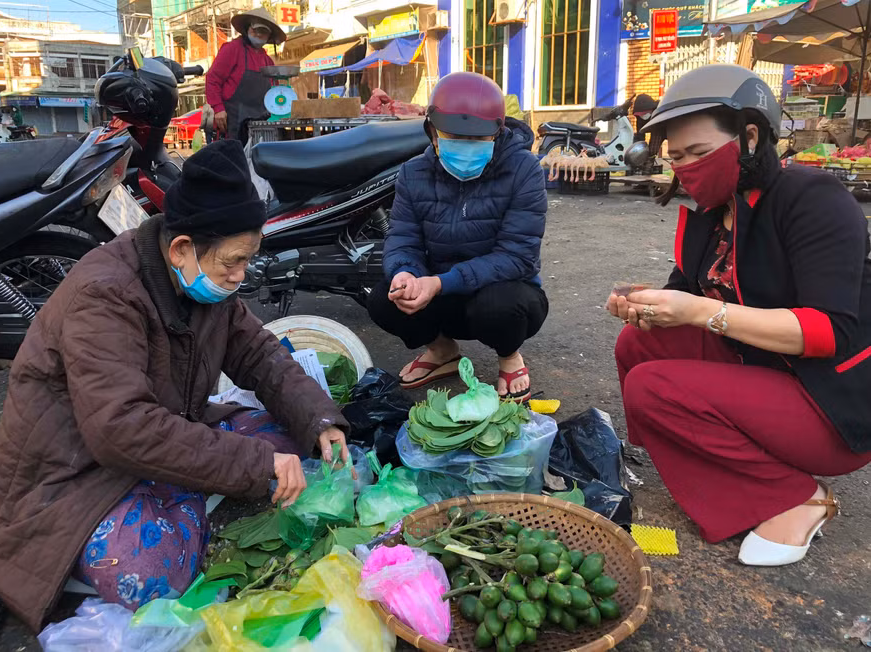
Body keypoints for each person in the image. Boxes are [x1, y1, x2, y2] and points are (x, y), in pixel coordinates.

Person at [0, 140, 350, 630]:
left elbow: (258, 354)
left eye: (247, 260)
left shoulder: (205, 282)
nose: (241, 276)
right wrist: (251, 465)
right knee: (149, 572)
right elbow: (120, 429)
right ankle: (180, 504)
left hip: (162, 436)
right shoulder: (104, 295)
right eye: (233, 261)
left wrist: (318, 419)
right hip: (73, 475)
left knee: (290, 442)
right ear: (181, 249)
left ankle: (183, 494)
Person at [607, 65, 871, 566]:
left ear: (750, 137)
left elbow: (829, 331)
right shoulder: (714, 212)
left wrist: (704, 311)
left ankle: (796, 497)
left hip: (830, 398)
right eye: (677, 158)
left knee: (654, 387)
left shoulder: (812, 199)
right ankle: (691, 453)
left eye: (700, 153)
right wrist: (645, 306)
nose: (687, 169)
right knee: (637, 345)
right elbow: (682, 293)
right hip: (765, 371)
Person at [367, 72, 548, 402]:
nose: (465, 146)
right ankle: (441, 351)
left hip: (501, 293)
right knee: (385, 298)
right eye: (454, 136)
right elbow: (403, 237)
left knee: (499, 307)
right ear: (432, 132)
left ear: (497, 132)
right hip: (440, 292)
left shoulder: (524, 170)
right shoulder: (412, 173)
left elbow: (518, 256)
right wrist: (406, 273)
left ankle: (509, 355)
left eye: (478, 139)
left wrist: (439, 283)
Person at [205, 7, 285, 144]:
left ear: (269, 36)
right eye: (256, 29)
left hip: (260, 126)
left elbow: (274, 93)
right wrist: (218, 109)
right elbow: (212, 80)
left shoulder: (267, 61)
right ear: (247, 29)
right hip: (232, 123)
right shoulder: (232, 49)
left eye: (264, 31)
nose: (259, 34)